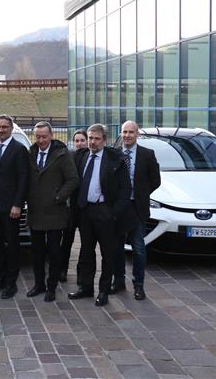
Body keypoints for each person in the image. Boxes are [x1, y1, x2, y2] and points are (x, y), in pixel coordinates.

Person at [69, 123, 131, 307]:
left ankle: (103, 290)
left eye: (96, 139)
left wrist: (113, 213)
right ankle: (85, 287)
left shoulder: (115, 160)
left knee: (107, 254)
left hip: (105, 212)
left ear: (104, 140)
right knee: (86, 252)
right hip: (85, 211)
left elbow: (125, 189)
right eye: (90, 138)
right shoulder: (80, 156)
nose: (92, 142)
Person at [25, 122, 79, 302]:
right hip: (35, 212)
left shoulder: (62, 155)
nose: (40, 140)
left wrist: (58, 197)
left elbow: (72, 180)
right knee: (37, 252)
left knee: (54, 252)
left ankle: (51, 286)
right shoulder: (30, 153)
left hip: (55, 212)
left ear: (51, 136)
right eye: (37, 136)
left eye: (44, 136)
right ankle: (39, 284)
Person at [112, 120, 160, 300]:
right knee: (116, 248)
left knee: (139, 248)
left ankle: (138, 285)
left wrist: (141, 194)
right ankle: (118, 281)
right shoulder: (114, 154)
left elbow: (156, 180)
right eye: (124, 132)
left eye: (131, 132)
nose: (127, 135)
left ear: (137, 134)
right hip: (118, 209)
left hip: (137, 208)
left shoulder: (147, 155)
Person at [0, 115, 29, 299]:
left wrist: (18, 204)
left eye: (4, 127)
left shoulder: (19, 149)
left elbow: (23, 179)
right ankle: (1, 276)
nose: (1, 130)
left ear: (11, 129)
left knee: (12, 244)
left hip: (11, 206)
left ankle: (11, 282)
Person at [59, 129, 88, 283]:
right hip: (70, 206)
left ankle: (81, 273)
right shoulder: (68, 156)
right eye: (76, 141)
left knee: (86, 242)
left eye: (82, 140)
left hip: (83, 207)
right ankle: (62, 270)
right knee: (67, 240)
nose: (79, 143)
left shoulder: (90, 156)